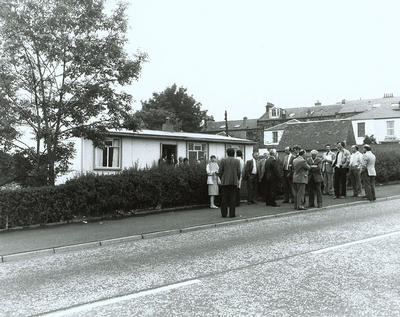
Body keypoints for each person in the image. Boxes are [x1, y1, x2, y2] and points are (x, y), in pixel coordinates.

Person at [219, 148, 241, 217]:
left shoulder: (223, 160)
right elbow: (239, 172)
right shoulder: (237, 161)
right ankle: (232, 214)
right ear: (234, 153)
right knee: (232, 198)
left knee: (224, 198)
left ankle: (224, 214)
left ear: (227, 153)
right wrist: (238, 178)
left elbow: (220, 171)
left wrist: (222, 178)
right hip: (234, 181)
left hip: (225, 181)